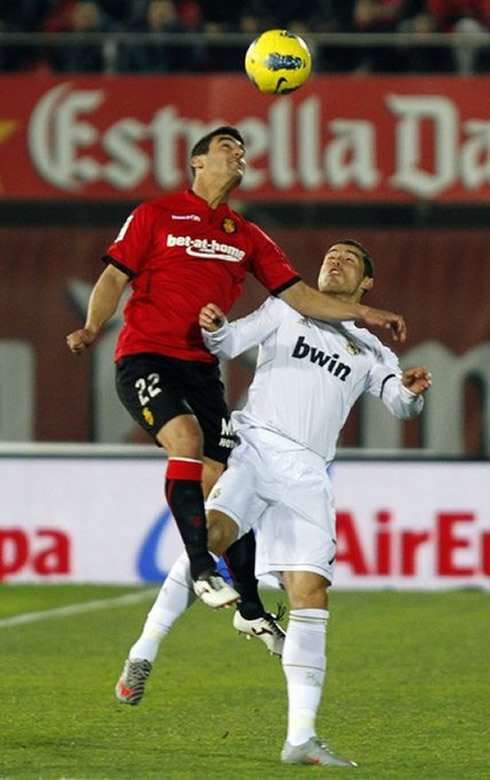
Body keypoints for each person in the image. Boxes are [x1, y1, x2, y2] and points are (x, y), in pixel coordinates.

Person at [66, 125, 407, 619]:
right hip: (147, 355)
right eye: (228, 148)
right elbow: (115, 274)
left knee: (224, 478)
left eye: (243, 151)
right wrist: (93, 326)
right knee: (185, 441)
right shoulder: (156, 214)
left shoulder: (247, 236)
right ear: (197, 161)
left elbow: (298, 295)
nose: (239, 155)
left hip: (202, 369)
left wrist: (368, 314)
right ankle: (202, 569)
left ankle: (249, 606)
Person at [113, 239, 430, 770]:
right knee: (209, 538)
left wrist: (415, 391)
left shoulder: (372, 349)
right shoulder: (286, 307)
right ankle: (143, 652)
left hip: (308, 473)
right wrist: (214, 325)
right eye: (331, 255)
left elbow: (399, 402)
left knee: (311, 595)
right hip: (256, 446)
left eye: (349, 259)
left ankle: (300, 737)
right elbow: (230, 341)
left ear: (366, 284)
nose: (335, 261)